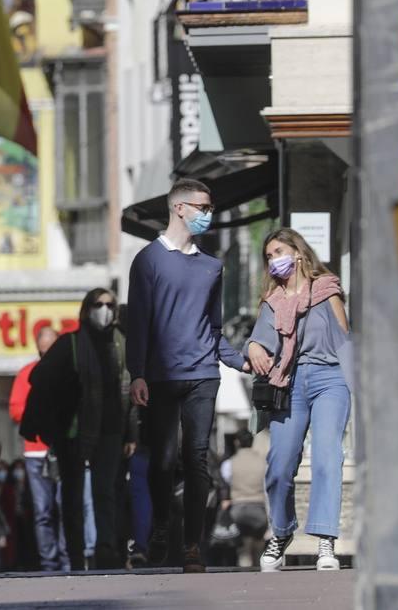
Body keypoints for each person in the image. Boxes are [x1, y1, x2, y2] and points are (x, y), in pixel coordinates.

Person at [126, 178, 247, 573]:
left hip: (202, 375)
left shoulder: (212, 266)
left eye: (210, 208)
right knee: (162, 461)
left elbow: (214, 328)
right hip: (160, 376)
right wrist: (137, 374)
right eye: (202, 207)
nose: (208, 215)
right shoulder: (147, 261)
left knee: (196, 459)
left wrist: (240, 360)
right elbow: (139, 321)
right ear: (179, 208)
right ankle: (162, 523)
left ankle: (193, 545)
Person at [247, 227, 350, 573]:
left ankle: (325, 539)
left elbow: (345, 340)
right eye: (269, 256)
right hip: (289, 385)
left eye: (279, 251)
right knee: (279, 465)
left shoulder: (327, 290)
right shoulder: (272, 302)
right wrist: (254, 347)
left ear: (299, 252)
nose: (274, 259)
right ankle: (281, 531)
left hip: (330, 378)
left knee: (327, 456)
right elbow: (258, 340)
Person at [23, 289, 138, 570]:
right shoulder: (70, 344)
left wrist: (131, 433)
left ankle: (106, 551)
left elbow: (132, 389)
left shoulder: (122, 343)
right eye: (98, 304)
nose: (105, 310)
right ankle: (75, 556)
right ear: (86, 309)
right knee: (72, 498)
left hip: (111, 429)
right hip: (72, 430)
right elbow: (39, 377)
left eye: (110, 305)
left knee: (105, 493)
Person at [9, 322, 68, 572]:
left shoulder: (69, 373)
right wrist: (41, 416)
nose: (47, 355)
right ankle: (49, 562)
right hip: (36, 452)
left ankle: (68, 560)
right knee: (43, 511)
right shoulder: (26, 373)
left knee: (66, 508)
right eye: (44, 351)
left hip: (63, 449)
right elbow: (15, 409)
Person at [221, 429, 269, 568]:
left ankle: (244, 569)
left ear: (237, 442)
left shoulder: (229, 463)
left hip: (238, 510)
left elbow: (226, 482)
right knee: (258, 545)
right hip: (259, 509)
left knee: (242, 549)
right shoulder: (263, 462)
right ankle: (259, 567)